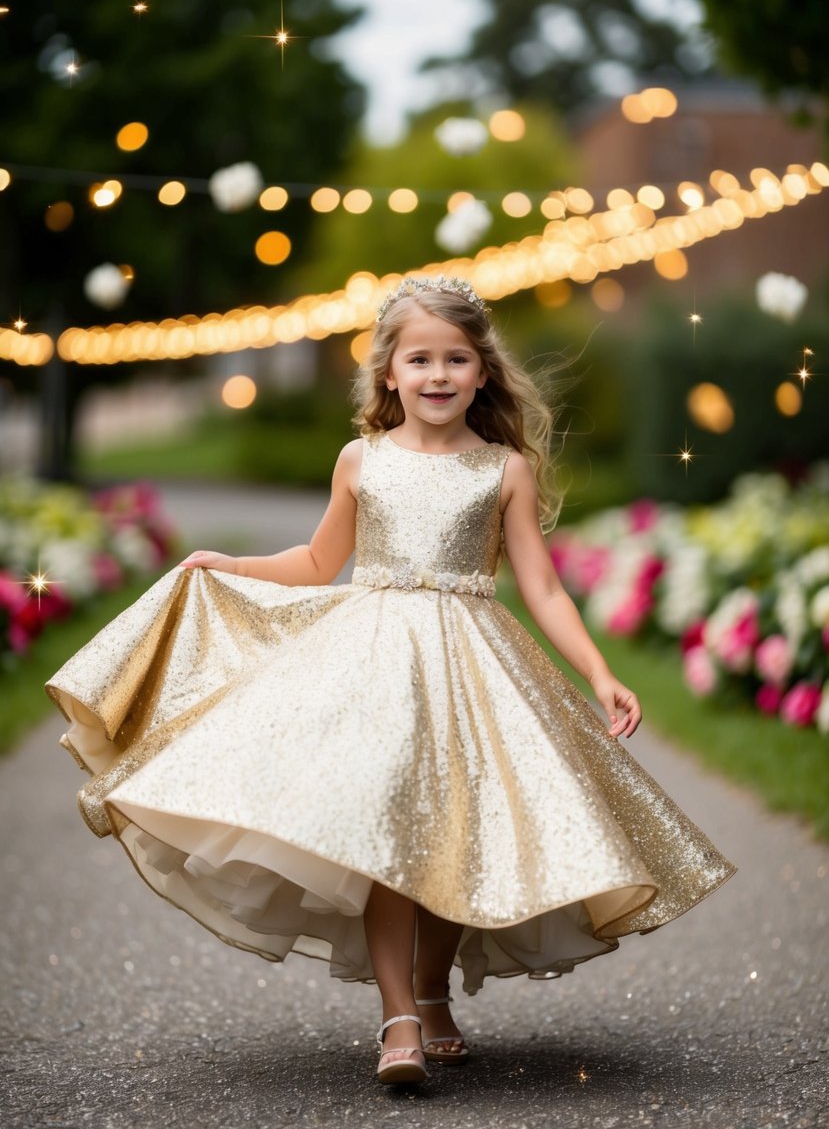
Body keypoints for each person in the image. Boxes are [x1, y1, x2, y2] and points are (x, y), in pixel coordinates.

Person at [47, 276, 735, 1087]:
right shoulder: (360, 460)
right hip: (371, 665)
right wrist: (227, 564)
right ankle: (398, 1014)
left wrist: (598, 671)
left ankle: (435, 991)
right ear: (388, 374)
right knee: (386, 831)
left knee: (453, 831)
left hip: (474, 664)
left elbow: (542, 588)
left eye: (455, 359)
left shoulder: (502, 470)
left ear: (482, 373)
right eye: (420, 359)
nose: (437, 375)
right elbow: (316, 561)